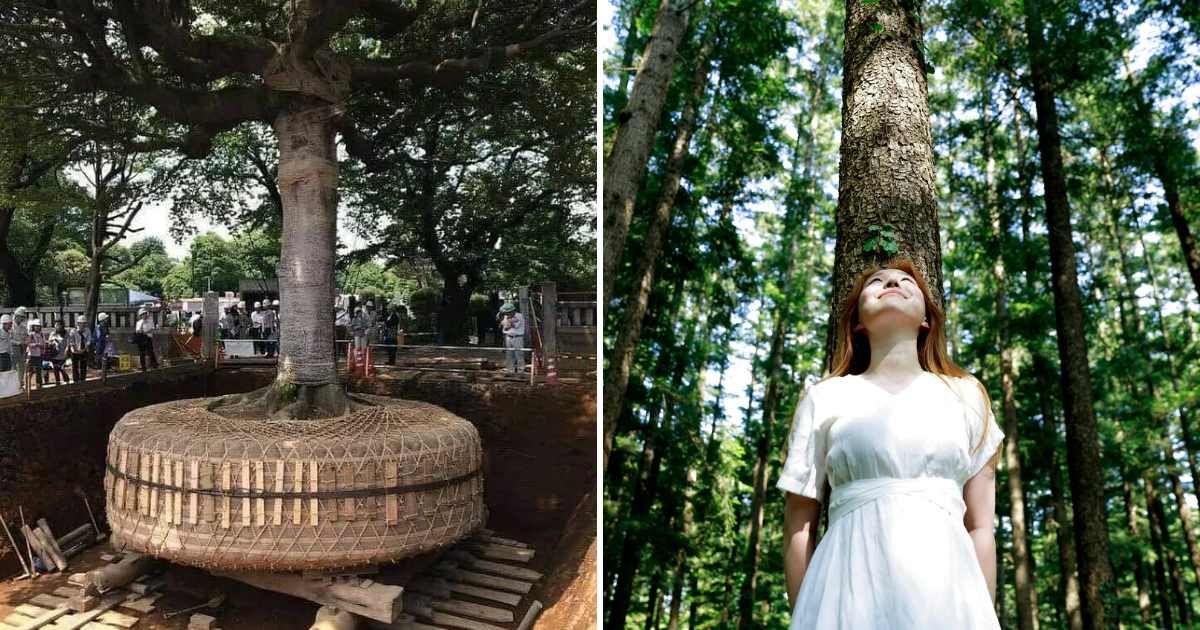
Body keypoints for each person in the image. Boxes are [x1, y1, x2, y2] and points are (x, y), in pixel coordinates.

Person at [779, 259, 1004, 630]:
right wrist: (808, 613)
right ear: (858, 323)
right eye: (877, 281)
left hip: (948, 594)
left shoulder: (967, 396)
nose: (892, 282)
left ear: (926, 320)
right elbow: (798, 527)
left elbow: (980, 527)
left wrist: (981, 613)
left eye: (905, 281)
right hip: (845, 590)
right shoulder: (824, 397)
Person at [499, 302, 525, 374]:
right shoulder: (506, 317)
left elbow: (514, 325)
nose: (506, 314)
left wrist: (509, 322)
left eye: (507, 313)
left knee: (519, 354)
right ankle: (510, 371)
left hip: (517, 337)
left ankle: (521, 371)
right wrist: (507, 322)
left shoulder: (519, 316)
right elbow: (505, 327)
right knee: (509, 355)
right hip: (508, 337)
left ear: (512, 311)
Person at [67, 316, 91, 384]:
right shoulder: (73, 331)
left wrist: (84, 349)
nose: (83, 325)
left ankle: (83, 379)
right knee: (75, 366)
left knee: (83, 366)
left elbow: (88, 341)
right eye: (81, 323)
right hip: (75, 350)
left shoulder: (87, 330)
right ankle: (76, 380)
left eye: (84, 323)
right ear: (78, 323)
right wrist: (76, 350)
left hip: (84, 350)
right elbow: (71, 342)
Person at [26, 318, 44, 390]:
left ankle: (39, 385)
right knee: (30, 371)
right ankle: (27, 385)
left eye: (39, 326)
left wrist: (41, 346)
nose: (38, 327)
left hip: (39, 355)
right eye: (36, 326)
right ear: (33, 326)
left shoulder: (41, 335)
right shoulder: (31, 335)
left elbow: (43, 345)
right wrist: (36, 344)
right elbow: (28, 344)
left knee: (39, 371)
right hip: (31, 355)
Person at [12, 307, 28, 390]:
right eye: (21, 317)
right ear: (16, 316)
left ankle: (20, 383)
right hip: (13, 349)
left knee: (22, 367)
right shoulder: (10, 326)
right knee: (13, 367)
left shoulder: (24, 327)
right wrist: (19, 343)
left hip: (22, 349)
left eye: (23, 317)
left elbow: (26, 337)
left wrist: (25, 343)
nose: (22, 318)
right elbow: (9, 339)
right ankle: (13, 385)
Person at [94, 312, 113, 379]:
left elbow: (107, 334)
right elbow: (98, 337)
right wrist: (105, 338)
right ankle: (99, 367)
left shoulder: (106, 326)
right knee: (99, 355)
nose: (107, 320)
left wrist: (108, 337)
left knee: (108, 354)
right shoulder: (98, 327)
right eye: (105, 318)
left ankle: (107, 367)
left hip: (106, 343)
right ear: (102, 319)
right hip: (100, 343)